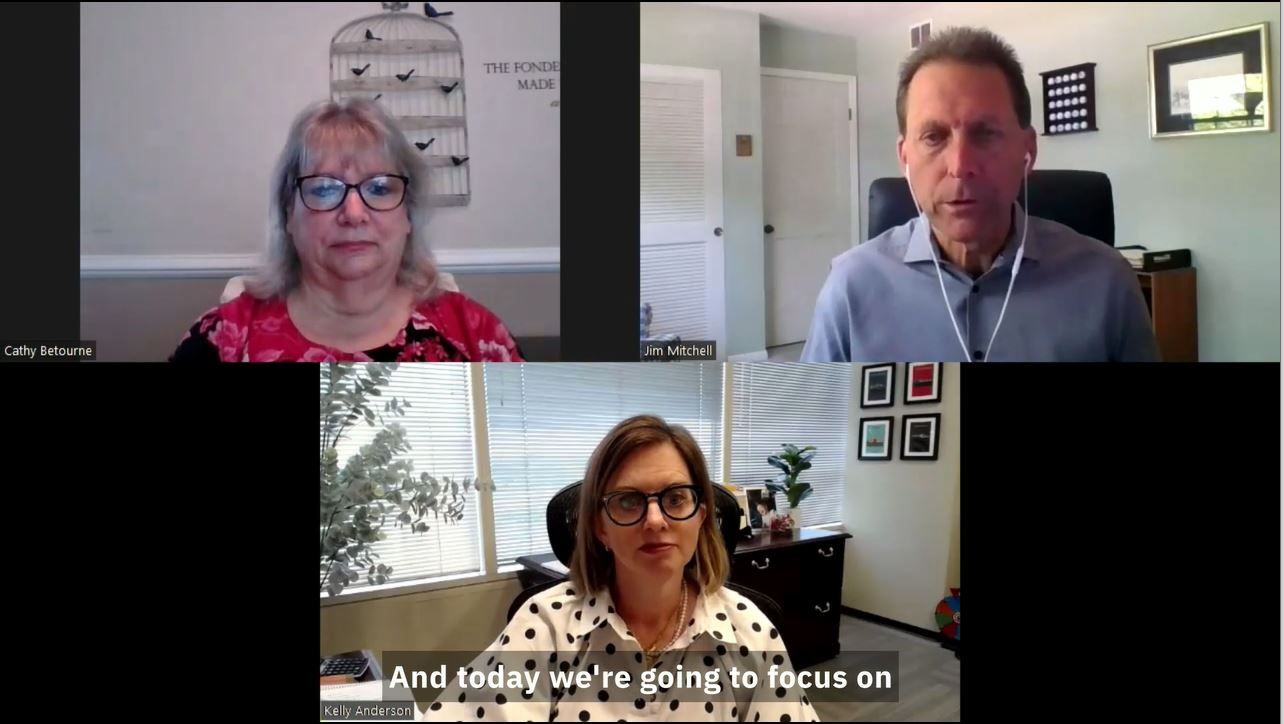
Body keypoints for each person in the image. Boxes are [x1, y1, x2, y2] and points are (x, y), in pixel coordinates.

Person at [422, 415, 818, 722]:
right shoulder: (546, 625)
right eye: (628, 502)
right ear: (600, 527)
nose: (655, 521)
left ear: (701, 515)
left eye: (675, 499)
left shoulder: (749, 632)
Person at [801, 27, 1158, 362]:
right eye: (933, 137)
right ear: (904, 157)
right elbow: (811, 410)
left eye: (985, 133)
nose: (960, 166)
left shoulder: (1106, 281)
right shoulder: (850, 286)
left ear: (1028, 151)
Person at [170, 98, 523, 362]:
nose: (354, 214)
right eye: (324, 189)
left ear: (409, 214)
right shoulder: (220, 342)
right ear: (288, 214)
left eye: (380, 187)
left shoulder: (477, 335)